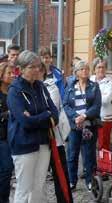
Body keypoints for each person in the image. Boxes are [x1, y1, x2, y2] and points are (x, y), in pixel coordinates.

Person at [7, 50, 58, 203]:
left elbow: (54, 112)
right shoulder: (14, 91)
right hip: (24, 144)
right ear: (21, 69)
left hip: (43, 141)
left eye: (38, 66)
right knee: (24, 188)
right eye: (32, 67)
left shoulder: (41, 87)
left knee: (39, 186)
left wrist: (40, 116)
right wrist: (45, 115)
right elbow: (25, 122)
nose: (37, 70)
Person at [63, 60, 101, 191]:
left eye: (86, 69)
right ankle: (72, 181)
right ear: (76, 72)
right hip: (74, 127)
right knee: (72, 154)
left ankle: (90, 181)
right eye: (82, 69)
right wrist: (75, 117)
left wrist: (84, 116)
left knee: (89, 154)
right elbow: (65, 105)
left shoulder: (94, 86)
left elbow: (96, 106)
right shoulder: (70, 86)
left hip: (89, 126)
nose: (85, 71)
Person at [38, 63, 73, 203]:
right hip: (36, 141)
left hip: (54, 138)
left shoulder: (50, 86)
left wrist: (33, 116)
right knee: (38, 179)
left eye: (38, 69)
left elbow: (51, 112)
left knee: (60, 175)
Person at [0, 62, 15, 203]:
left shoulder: (13, 90)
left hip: (13, 135)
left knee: (7, 171)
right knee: (6, 168)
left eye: (13, 73)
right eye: (8, 73)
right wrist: (8, 114)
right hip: (2, 136)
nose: (12, 75)